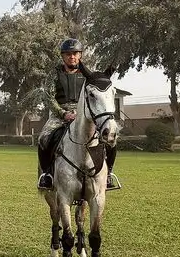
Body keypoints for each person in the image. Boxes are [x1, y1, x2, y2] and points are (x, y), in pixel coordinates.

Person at [36, 38, 121, 191]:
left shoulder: (89, 74)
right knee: (43, 137)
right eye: (68, 54)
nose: (72, 57)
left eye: (75, 53)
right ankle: (47, 175)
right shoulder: (55, 73)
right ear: (63, 56)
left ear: (80, 55)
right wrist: (63, 113)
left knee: (110, 139)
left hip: (85, 113)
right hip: (60, 114)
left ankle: (108, 174)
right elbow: (48, 97)